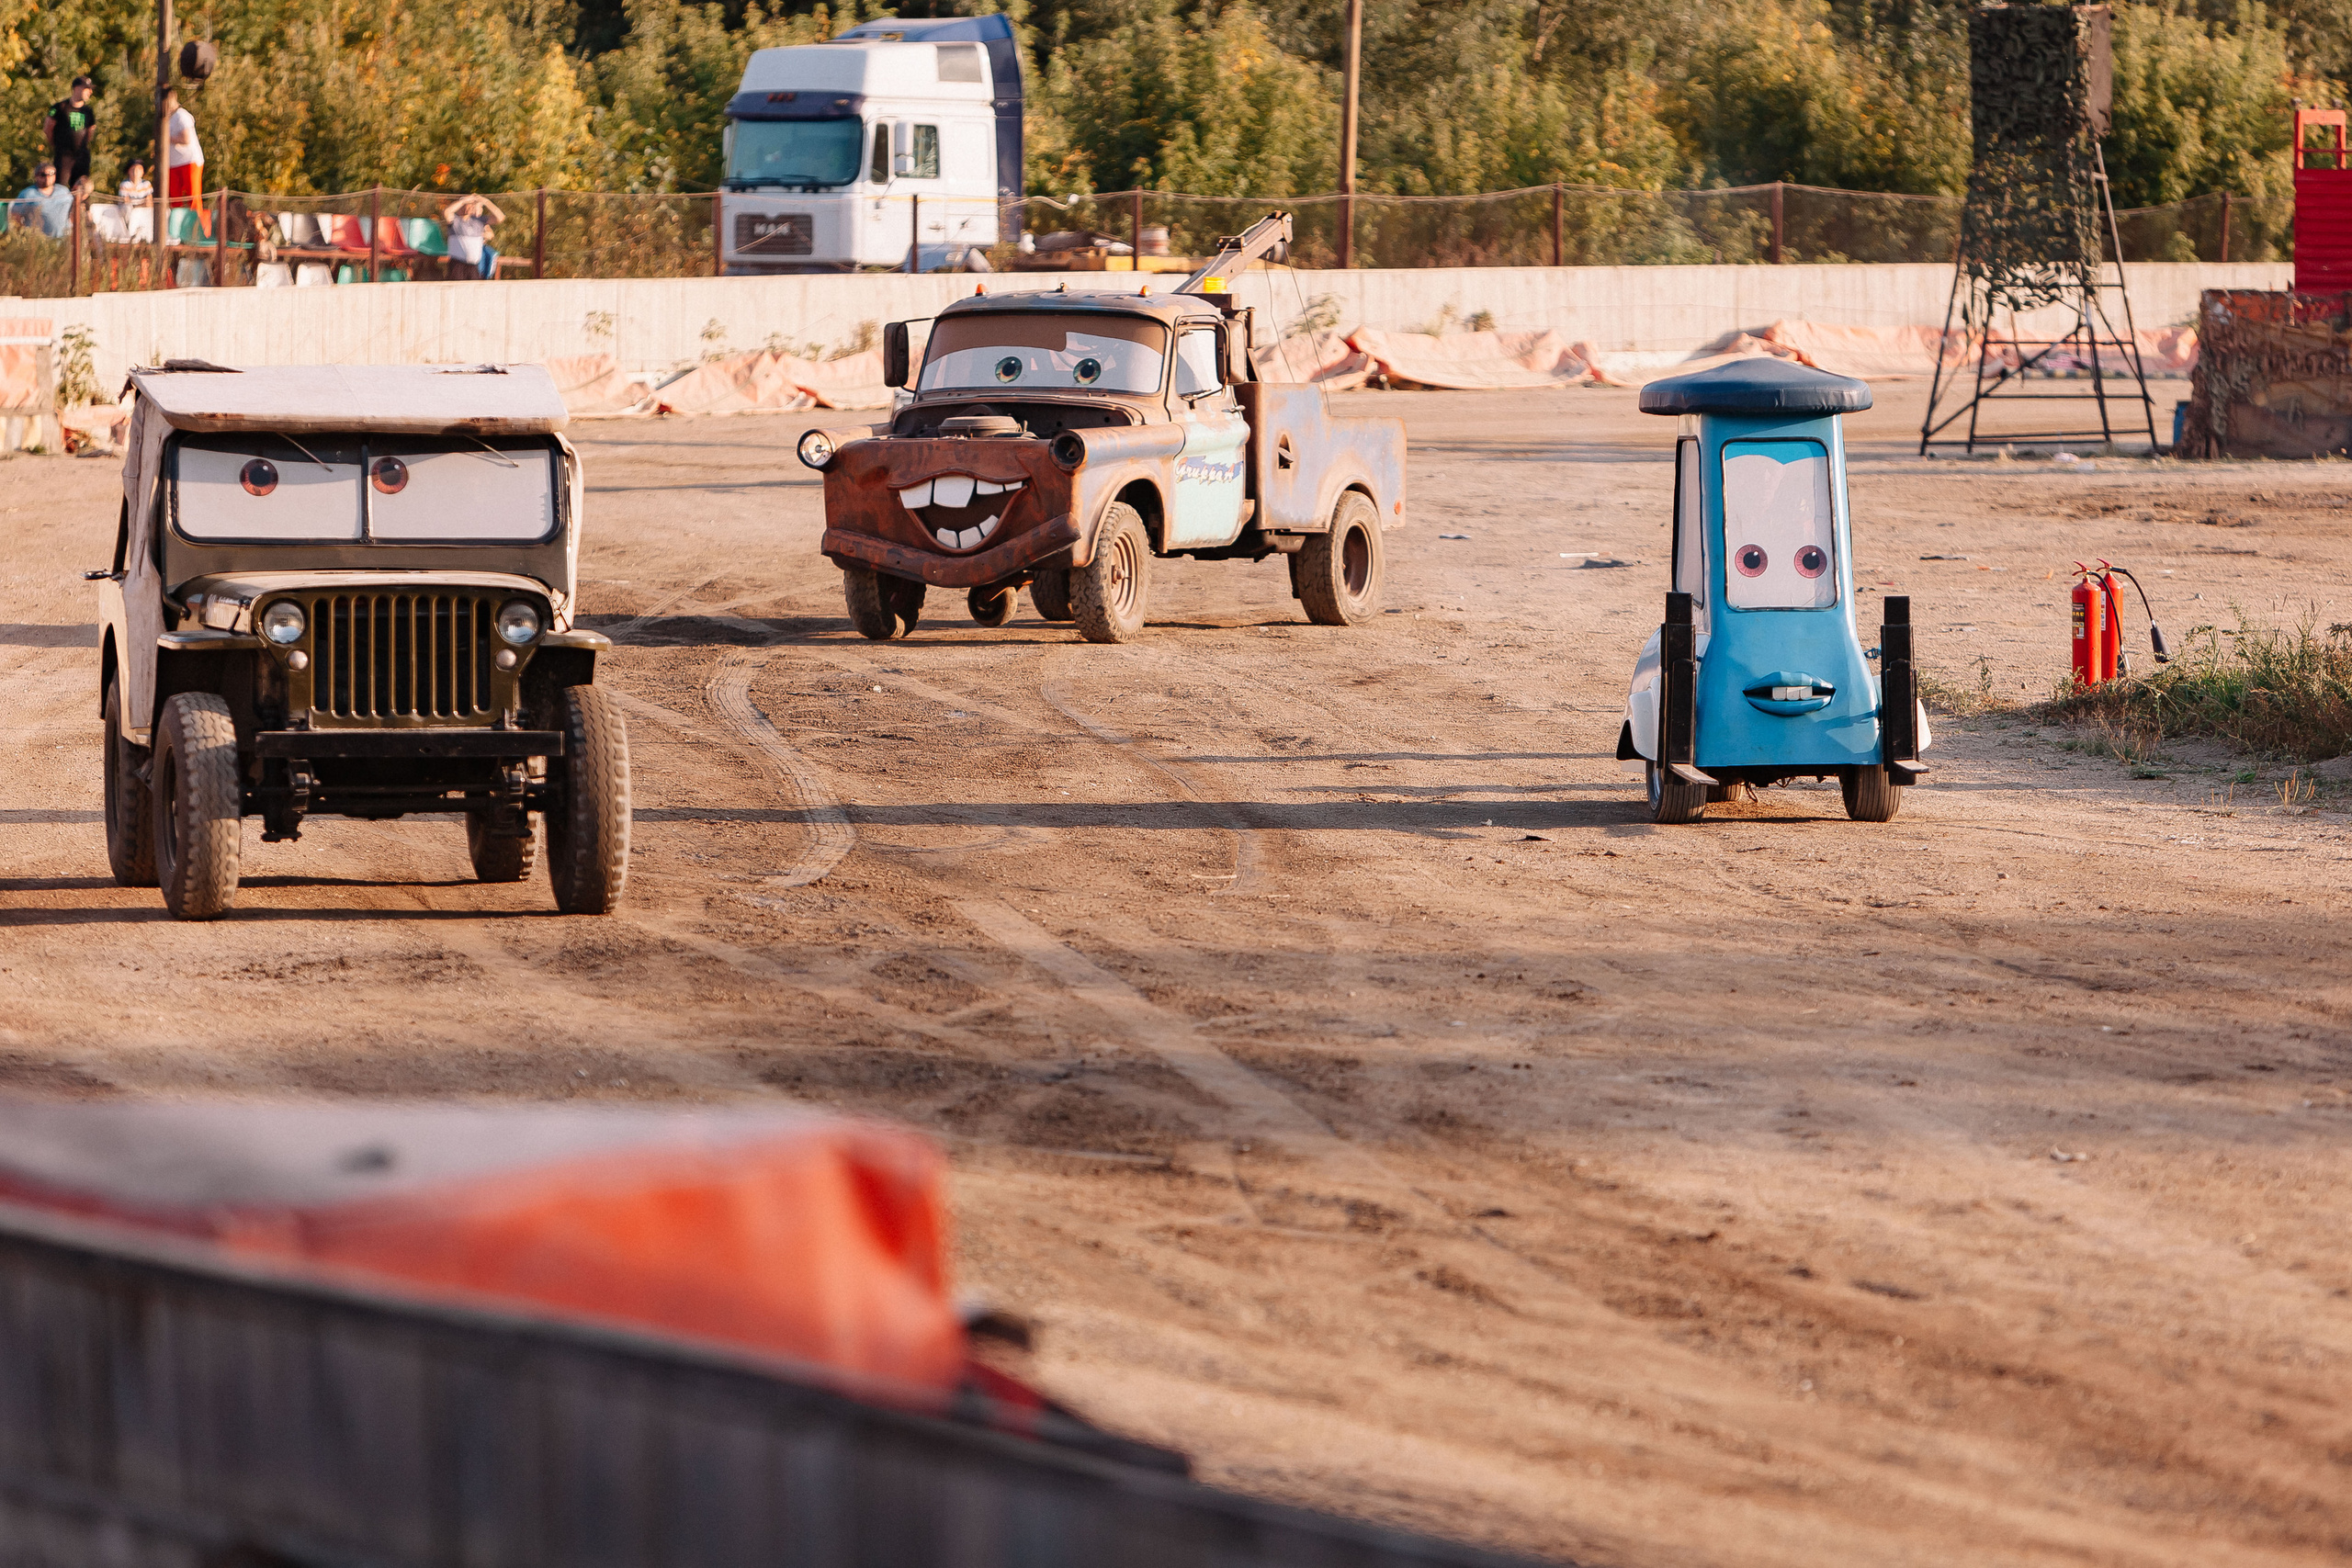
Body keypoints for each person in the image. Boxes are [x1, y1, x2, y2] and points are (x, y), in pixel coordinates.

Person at [163, 88, 208, 238]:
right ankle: (178, 233)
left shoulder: (181, 115)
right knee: (175, 200)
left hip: (189, 161)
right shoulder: (166, 118)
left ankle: (198, 233)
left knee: (193, 198)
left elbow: (186, 138)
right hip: (172, 163)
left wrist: (166, 138)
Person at [42, 76, 98, 192]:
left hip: (81, 156)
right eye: (87, 89)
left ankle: (80, 204)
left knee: (82, 188)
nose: (90, 92)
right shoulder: (60, 107)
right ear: (77, 88)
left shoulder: (88, 111)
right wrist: (56, 145)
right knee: (61, 188)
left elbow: (90, 131)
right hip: (64, 156)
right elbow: (48, 128)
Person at [442, 193, 504, 280]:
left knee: (474, 287)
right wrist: (463, 201)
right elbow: (447, 212)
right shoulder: (455, 220)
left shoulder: (479, 221)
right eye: (469, 205)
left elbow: (500, 218)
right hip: (457, 265)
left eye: (472, 205)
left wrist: (486, 201)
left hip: (473, 266)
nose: (471, 207)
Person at [12, 162, 71, 238]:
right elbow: (15, 215)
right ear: (36, 176)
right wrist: (24, 234)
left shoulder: (64, 191)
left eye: (51, 174)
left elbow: (73, 211)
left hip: (63, 239)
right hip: (39, 241)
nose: (48, 177)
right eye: (43, 175)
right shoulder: (28, 194)